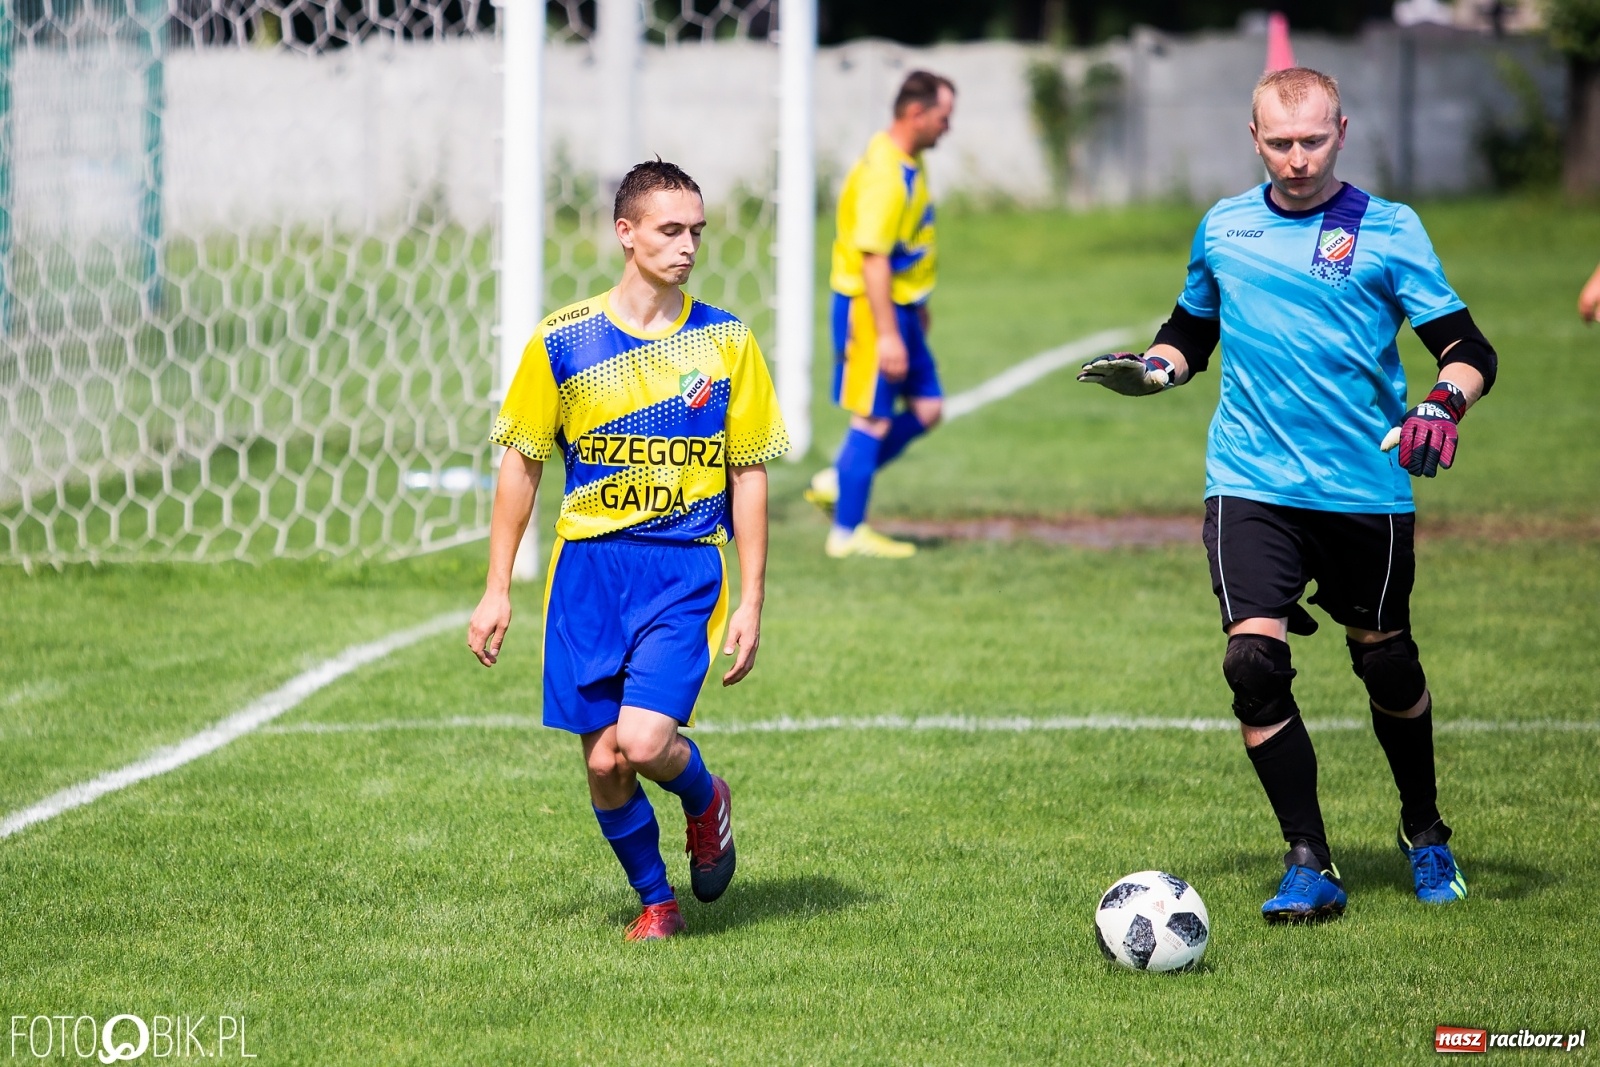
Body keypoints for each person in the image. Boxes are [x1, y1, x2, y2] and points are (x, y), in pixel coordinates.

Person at [1078, 67, 1496, 923]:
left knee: (1386, 660)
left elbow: (1468, 347)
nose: (1297, 159)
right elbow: (1194, 324)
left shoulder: (1389, 228)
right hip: (1250, 481)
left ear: (1342, 130)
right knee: (1252, 663)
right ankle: (1308, 857)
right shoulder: (1225, 226)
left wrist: (1441, 402)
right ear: (1254, 136)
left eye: (1312, 140)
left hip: (1363, 485)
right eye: (1280, 143)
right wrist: (1157, 368)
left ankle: (1425, 831)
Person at [467, 160, 789, 941]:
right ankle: (658, 902)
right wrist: (497, 586)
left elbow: (748, 473)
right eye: (670, 230)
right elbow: (522, 460)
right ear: (627, 233)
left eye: (696, 232)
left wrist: (750, 597)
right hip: (587, 575)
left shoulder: (725, 341)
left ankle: (705, 796)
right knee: (606, 761)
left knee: (644, 742)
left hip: (681, 567)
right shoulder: (564, 339)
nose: (687, 247)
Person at [804, 70, 956, 559]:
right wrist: (889, 334)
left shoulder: (910, 162)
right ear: (916, 113)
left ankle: (838, 479)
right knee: (872, 419)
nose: (947, 128)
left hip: (902, 309)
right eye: (943, 117)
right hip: (872, 312)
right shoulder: (884, 176)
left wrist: (919, 307)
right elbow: (872, 259)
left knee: (928, 408)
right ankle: (847, 533)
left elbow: (908, 245)